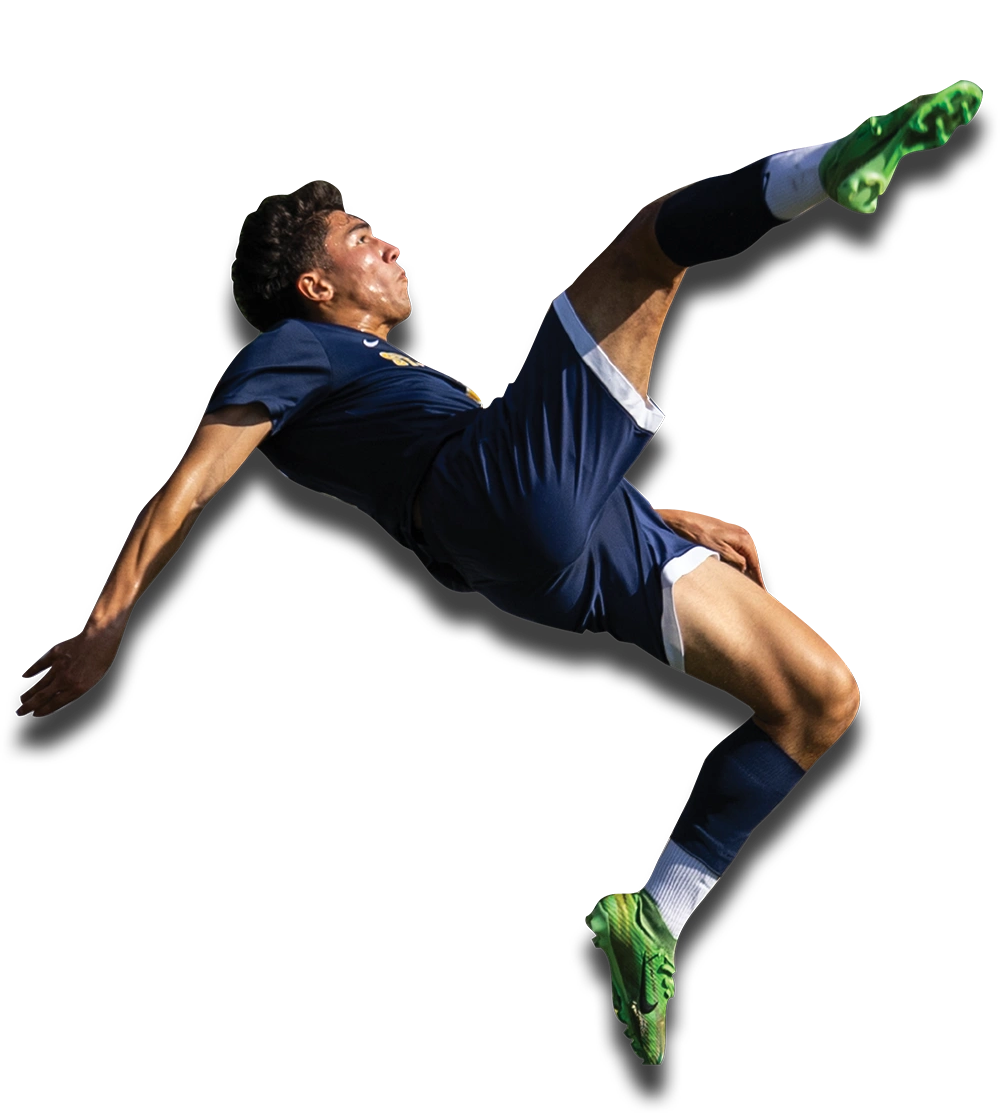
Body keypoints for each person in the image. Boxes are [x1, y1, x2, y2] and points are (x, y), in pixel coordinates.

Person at [16, 86, 983, 1066]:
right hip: (486, 507)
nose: (388, 248)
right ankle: (835, 161)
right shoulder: (289, 348)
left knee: (820, 698)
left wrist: (653, 509)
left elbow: (534, 464)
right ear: (314, 284)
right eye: (361, 237)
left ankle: (656, 918)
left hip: (551, 550)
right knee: (649, 244)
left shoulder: (382, 375)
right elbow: (186, 488)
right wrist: (107, 625)